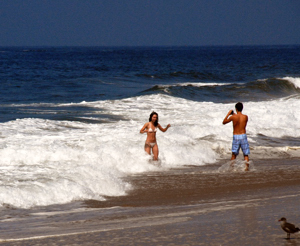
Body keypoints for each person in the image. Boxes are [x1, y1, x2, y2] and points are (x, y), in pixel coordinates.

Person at [222, 102, 250, 171]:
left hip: (236, 136)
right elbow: (240, 119)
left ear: (236, 109)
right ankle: (246, 169)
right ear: (242, 108)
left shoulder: (233, 117)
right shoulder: (245, 117)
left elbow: (224, 122)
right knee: (245, 154)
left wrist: (229, 114)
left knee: (234, 155)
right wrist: (234, 114)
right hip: (243, 135)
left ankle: (232, 168)